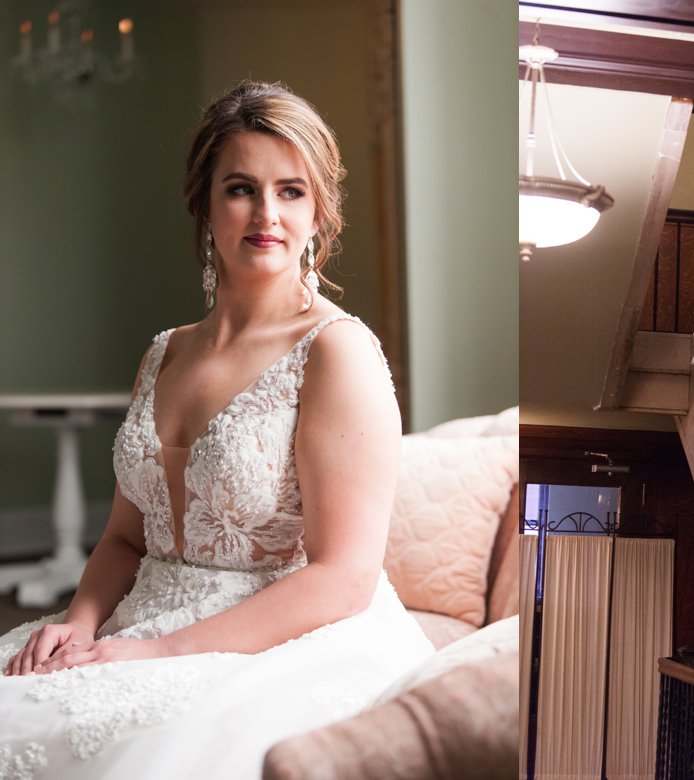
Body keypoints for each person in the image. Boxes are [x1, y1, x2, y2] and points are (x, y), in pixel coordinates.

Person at [0, 81, 433, 778]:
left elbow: (344, 577)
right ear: (204, 203)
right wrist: (78, 623)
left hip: (273, 643)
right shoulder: (165, 350)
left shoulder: (335, 350)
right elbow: (122, 536)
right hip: (137, 619)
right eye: (241, 188)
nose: (267, 213)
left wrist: (157, 654)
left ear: (319, 209)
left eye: (291, 190)